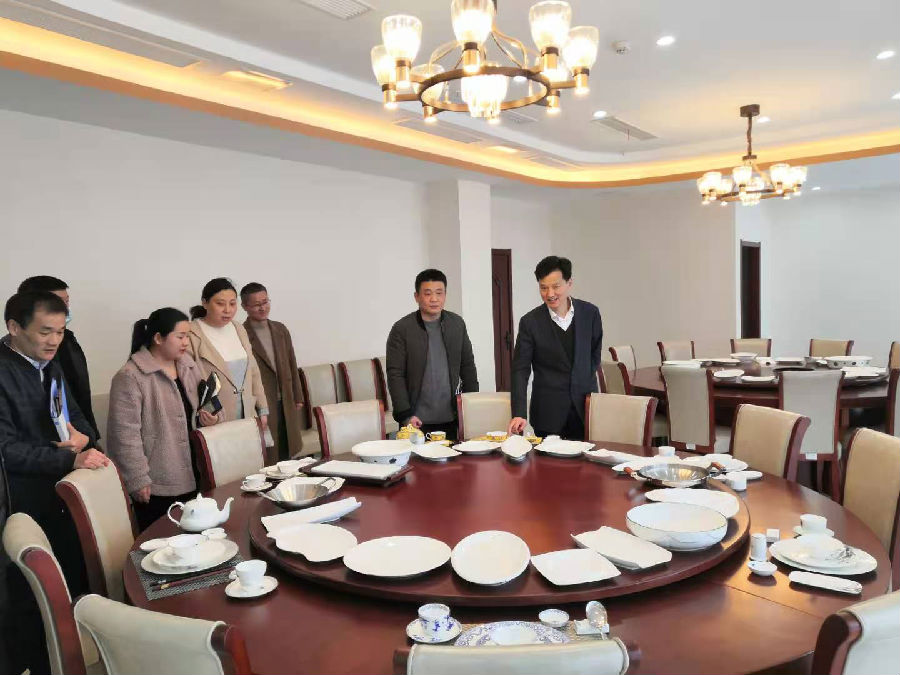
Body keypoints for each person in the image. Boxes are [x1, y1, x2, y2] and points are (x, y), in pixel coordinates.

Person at [0, 291, 109, 675]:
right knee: (32, 602)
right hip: (22, 504)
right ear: (14, 327)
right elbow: (6, 450)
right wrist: (68, 457)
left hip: (63, 497)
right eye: (45, 331)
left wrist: (83, 438)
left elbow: (76, 419)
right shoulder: (4, 372)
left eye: (60, 332)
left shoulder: (50, 364)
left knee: (71, 589)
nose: (53, 341)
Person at [107, 308, 221, 532]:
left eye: (188, 336)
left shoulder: (188, 365)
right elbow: (124, 435)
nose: (186, 342)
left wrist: (212, 418)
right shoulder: (130, 376)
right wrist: (137, 478)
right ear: (158, 338)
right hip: (158, 480)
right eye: (180, 336)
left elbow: (211, 403)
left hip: (196, 470)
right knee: (164, 539)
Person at [508, 256, 603, 440]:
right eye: (543, 287)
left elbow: (594, 355)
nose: (550, 293)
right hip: (548, 413)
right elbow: (520, 369)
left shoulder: (590, 314)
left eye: (556, 286)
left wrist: (581, 382)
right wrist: (519, 412)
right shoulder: (530, 322)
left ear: (569, 283)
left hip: (584, 409)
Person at [386, 269, 478, 441]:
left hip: (451, 418)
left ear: (445, 295)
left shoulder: (457, 324)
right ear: (417, 297)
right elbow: (395, 374)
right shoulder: (402, 329)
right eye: (427, 293)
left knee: (454, 458)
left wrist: (470, 407)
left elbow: (468, 367)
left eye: (439, 293)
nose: (434, 299)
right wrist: (405, 415)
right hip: (416, 420)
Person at [17, 276, 99, 438]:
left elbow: (79, 397)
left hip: (75, 437)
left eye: (66, 302)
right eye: (58, 303)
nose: (65, 309)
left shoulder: (69, 341)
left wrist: (89, 438)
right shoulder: (14, 360)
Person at [186, 278, 268, 433]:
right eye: (220, 304)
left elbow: (253, 372)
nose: (228, 310)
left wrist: (262, 409)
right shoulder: (191, 333)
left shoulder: (238, 328)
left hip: (248, 416)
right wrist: (208, 414)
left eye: (232, 303)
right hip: (215, 421)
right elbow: (191, 383)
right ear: (205, 303)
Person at [241, 283, 305, 463]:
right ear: (245, 306)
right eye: (256, 304)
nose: (263, 308)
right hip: (262, 402)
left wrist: (298, 395)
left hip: (286, 398)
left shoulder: (280, 329)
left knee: (289, 447)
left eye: (265, 302)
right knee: (270, 451)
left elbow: (292, 362)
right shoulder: (242, 333)